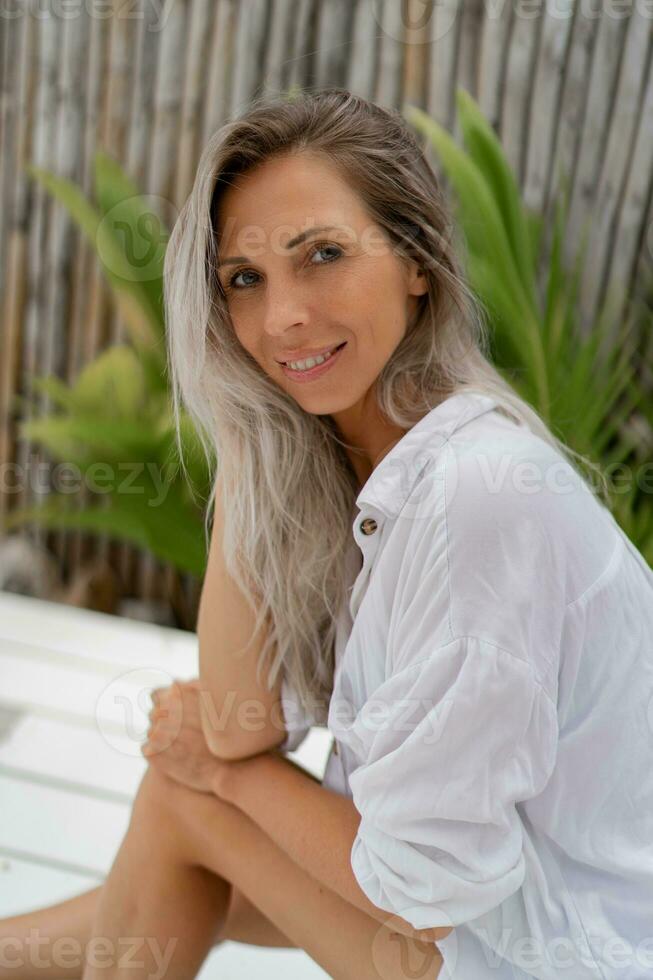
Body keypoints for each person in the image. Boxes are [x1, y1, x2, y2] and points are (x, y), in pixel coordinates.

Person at [2, 87, 652, 980]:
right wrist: (242, 427)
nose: (282, 319)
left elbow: (411, 887)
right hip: (504, 923)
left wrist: (225, 777)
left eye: (324, 256)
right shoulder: (362, 471)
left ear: (418, 263)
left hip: (560, 955)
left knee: (190, 805)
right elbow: (245, 722)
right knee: (187, 843)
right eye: (244, 280)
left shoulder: (478, 500)